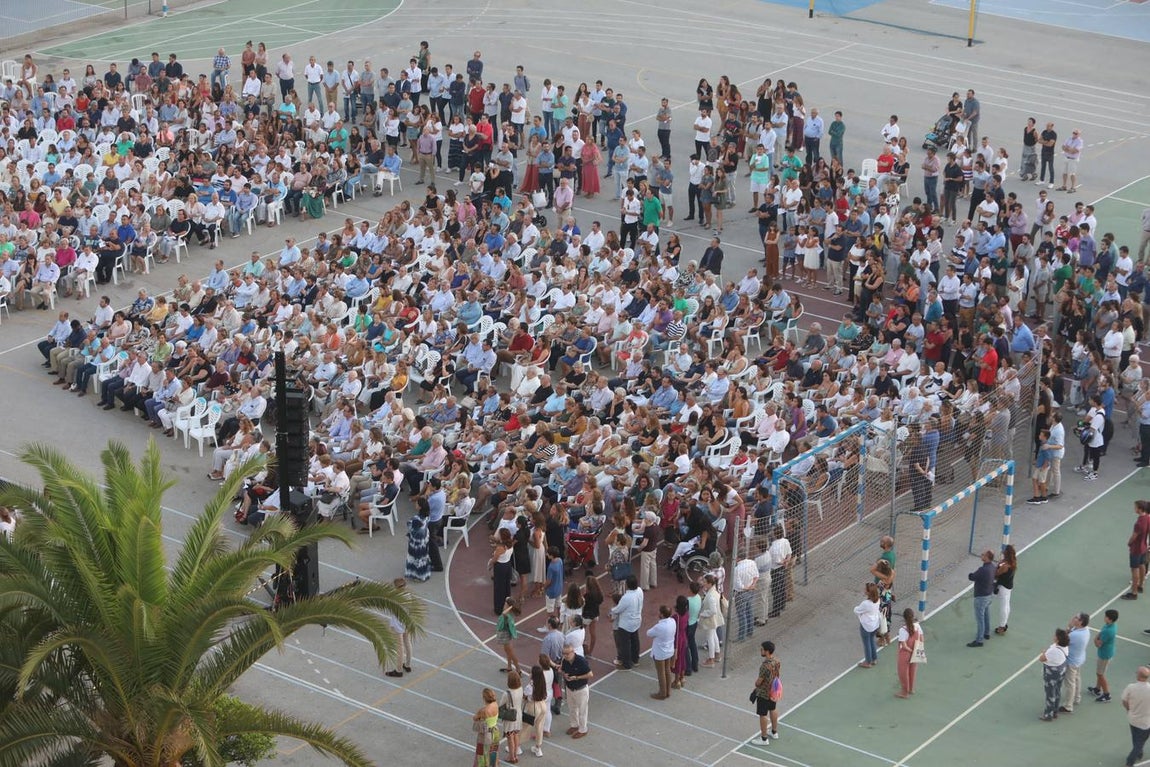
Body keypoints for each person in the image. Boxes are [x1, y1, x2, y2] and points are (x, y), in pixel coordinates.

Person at [609, 575, 643, 670]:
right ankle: (635, 660)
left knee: (625, 644)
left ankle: (627, 664)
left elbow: (618, 609)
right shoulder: (640, 591)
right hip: (637, 619)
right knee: (635, 640)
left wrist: (611, 610)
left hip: (626, 624)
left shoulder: (626, 597)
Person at [559, 643, 592, 739]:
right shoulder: (565, 661)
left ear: (573, 652)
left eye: (567, 653)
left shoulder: (581, 661)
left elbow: (590, 674)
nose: (566, 655)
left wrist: (577, 677)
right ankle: (574, 725)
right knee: (572, 708)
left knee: (582, 710)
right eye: (564, 653)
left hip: (581, 689)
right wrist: (564, 675)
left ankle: (583, 729)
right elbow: (563, 670)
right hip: (570, 688)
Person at [752, 640, 781, 743]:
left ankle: (764, 738)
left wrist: (756, 684)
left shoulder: (764, 666)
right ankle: (774, 732)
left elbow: (759, 682)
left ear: (767, 651)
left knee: (763, 714)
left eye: (762, 649)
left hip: (764, 693)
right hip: (774, 690)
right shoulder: (777, 661)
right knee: (773, 709)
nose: (761, 651)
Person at [1061, 612, 1090, 713]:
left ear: (1081, 622)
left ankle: (1068, 706)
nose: (1074, 618)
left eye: (1076, 618)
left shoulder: (1075, 635)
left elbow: (1063, 641)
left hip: (1072, 662)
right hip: (1079, 659)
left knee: (1070, 683)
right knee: (1077, 678)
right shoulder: (1085, 630)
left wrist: (1068, 627)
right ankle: (1077, 697)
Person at [384, 578, 413, 678]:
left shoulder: (395, 598)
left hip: (397, 623)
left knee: (400, 647)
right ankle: (408, 665)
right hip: (406, 621)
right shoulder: (408, 595)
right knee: (407, 642)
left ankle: (399, 670)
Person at [647, 604, 677, 700]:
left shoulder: (659, 626)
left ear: (662, 614)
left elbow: (649, 633)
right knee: (667, 670)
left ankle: (662, 693)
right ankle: (668, 691)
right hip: (669, 650)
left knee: (661, 673)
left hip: (660, 652)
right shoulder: (673, 622)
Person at [1039, 628, 1070, 721]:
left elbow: (1042, 658)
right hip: (1061, 670)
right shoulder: (1064, 647)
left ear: (1057, 639)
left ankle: (1048, 714)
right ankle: (1055, 711)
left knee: (1050, 693)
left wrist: (1044, 653)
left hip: (1052, 673)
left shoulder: (1054, 650)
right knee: (1057, 690)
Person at [1090, 609, 1119, 703]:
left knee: (1100, 674)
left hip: (1104, 655)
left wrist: (1095, 639)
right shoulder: (1111, 625)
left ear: (1110, 619)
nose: (1104, 617)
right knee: (1100, 672)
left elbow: (1098, 644)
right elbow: (1101, 632)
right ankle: (1097, 689)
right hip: (1107, 652)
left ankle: (1107, 694)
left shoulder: (1108, 631)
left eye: (1106, 616)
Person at [1122, 500, 1150, 600]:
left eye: (1136, 507)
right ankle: (1141, 586)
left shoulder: (1139, 523)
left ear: (1140, 509)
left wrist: (1129, 543)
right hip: (1144, 547)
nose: (1134, 509)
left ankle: (1134, 593)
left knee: (1134, 569)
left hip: (1136, 549)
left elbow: (1134, 536)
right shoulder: (1148, 518)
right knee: (1142, 565)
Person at [967, 550, 995, 647]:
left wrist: (970, 575)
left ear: (987, 557)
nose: (981, 555)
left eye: (983, 554)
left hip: (981, 597)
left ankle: (979, 640)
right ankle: (987, 633)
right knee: (986, 615)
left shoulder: (983, 570)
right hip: (989, 595)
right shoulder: (992, 567)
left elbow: (972, 577)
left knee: (980, 619)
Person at [1123, 667, 1150, 766]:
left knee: (1136, 739)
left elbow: (1124, 701)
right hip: (1145, 723)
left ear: (1138, 676)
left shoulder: (1131, 687)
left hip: (1133, 719)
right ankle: (1130, 761)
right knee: (1139, 743)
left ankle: (1138, 754)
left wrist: (1129, 709)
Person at [895, 608, 923, 698]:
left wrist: (910, 650)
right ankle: (911, 689)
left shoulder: (902, 630)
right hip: (915, 651)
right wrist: (916, 650)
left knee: (903, 672)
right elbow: (921, 638)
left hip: (905, 654)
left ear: (904, 618)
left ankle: (904, 692)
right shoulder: (917, 626)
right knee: (912, 670)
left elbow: (904, 646)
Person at [699, 573, 725, 668]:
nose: (703, 583)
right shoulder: (715, 592)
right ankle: (717, 654)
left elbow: (712, 611)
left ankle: (711, 659)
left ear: (710, 583)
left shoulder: (710, 596)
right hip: (715, 619)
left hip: (710, 620)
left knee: (710, 637)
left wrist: (702, 614)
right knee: (714, 636)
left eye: (705, 582)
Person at [471, 688, 501, 767]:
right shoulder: (495, 704)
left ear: (484, 698)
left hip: (485, 734)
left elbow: (475, 718)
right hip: (495, 731)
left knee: (481, 752)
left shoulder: (483, 710)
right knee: (493, 751)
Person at [854, 583, 881, 668]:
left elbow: (856, 610)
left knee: (867, 644)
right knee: (871, 640)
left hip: (866, 626)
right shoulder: (878, 600)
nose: (864, 590)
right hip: (875, 625)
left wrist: (857, 609)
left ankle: (868, 662)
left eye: (865, 589)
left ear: (868, 593)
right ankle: (874, 659)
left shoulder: (865, 603)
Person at [500, 670, 524, 764]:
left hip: (510, 717)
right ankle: (515, 755)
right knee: (516, 734)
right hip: (518, 714)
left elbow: (501, 705)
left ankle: (511, 757)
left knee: (510, 737)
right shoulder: (520, 689)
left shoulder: (507, 693)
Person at [524, 666, 548, 758]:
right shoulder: (542, 683)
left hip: (533, 706)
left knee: (525, 726)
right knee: (539, 727)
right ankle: (538, 748)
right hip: (543, 705)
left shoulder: (530, 686)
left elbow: (525, 696)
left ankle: (517, 746)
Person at [994, 544, 1017, 635]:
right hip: (1008, 586)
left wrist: (998, 565)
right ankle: (1004, 623)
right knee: (1006, 605)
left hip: (1003, 587)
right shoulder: (1012, 562)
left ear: (1006, 553)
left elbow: (996, 573)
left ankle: (1002, 626)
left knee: (1003, 607)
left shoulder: (1005, 566)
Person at [495, 597, 521, 674]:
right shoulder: (509, 614)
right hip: (506, 634)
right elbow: (508, 598)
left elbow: (503, 613)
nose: (504, 605)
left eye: (505, 604)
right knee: (508, 652)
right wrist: (508, 601)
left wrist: (510, 606)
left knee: (511, 653)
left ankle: (518, 670)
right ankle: (509, 667)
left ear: (509, 607)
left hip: (505, 635)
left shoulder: (507, 615)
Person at [405, 513, 431, 582]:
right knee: (423, 560)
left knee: (417, 561)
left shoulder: (415, 528)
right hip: (424, 546)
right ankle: (424, 575)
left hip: (416, 547)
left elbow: (410, 528)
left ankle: (420, 576)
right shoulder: (425, 523)